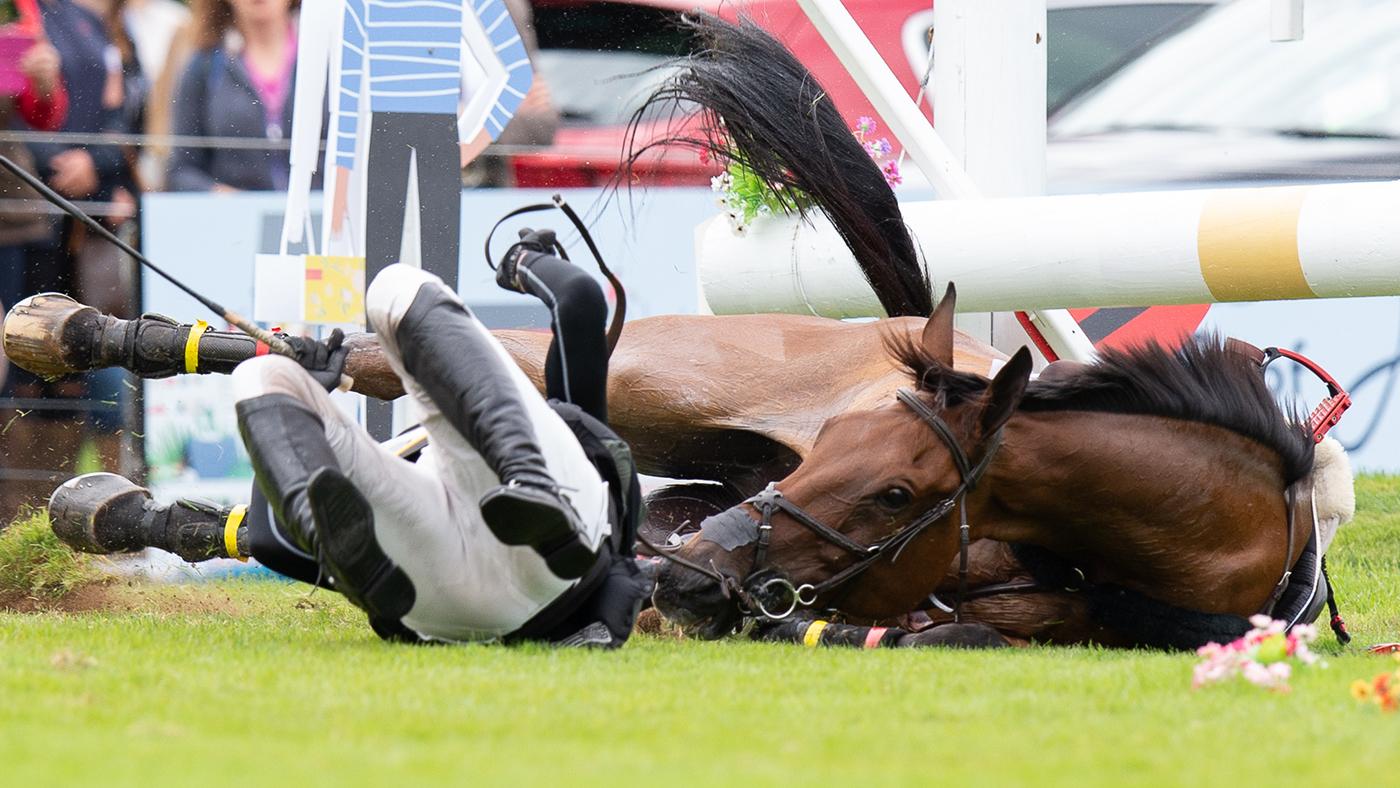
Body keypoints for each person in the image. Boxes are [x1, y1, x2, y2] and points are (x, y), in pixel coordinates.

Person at [50, 234, 650, 647]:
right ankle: (531, 483)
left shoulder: (386, 505)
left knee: (272, 369)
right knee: (306, 346)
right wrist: (525, 259)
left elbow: (272, 542)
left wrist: (522, 257)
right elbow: (579, 302)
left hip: (444, 607)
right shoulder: (571, 427)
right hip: (554, 573)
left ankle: (519, 490)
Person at [166, 0, 300, 192]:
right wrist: (217, 194)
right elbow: (181, 169)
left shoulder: (330, 59)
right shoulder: (205, 65)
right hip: (236, 217)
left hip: (319, 215)